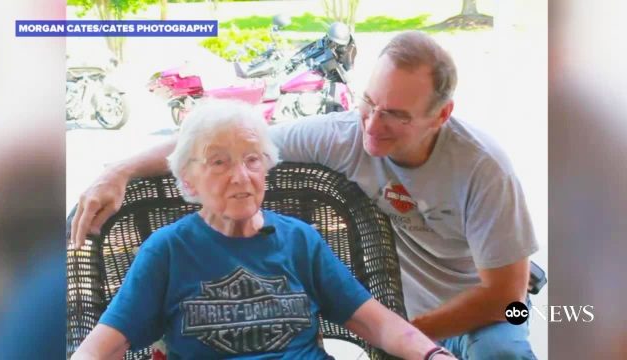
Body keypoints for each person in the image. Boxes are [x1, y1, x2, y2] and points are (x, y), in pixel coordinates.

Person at [71, 31, 539, 359]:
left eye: (396, 115)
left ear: (441, 116)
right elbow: (224, 139)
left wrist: (414, 344)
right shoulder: (342, 136)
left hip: (484, 309)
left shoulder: (482, 168)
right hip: (409, 314)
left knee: (505, 350)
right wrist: (121, 169)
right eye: (369, 103)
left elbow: (505, 294)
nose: (373, 128)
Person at [71, 99, 453, 360]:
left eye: (252, 160)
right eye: (219, 162)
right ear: (188, 181)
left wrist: (433, 354)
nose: (241, 177)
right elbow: (99, 347)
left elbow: (376, 322)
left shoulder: (299, 240)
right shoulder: (168, 251)